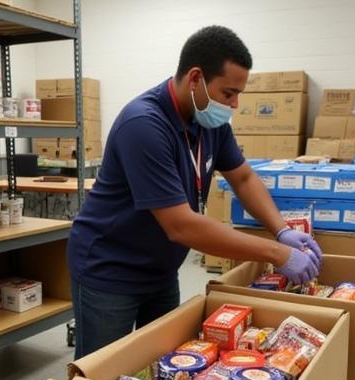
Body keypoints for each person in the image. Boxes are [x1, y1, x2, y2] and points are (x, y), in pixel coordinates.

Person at [68, 26, 323, 358]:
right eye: (228, 93)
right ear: (196, 79)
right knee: (99, 373)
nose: (234, 104)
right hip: (110, 268)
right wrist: (278, 254)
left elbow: (243, 178)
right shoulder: (144, 124)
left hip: (160, 269)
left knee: (159, 365)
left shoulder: (211, 123)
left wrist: (283, 230)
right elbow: (181, 226)